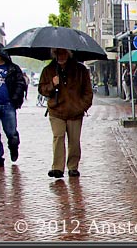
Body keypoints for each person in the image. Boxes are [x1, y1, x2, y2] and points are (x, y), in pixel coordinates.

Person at [38, 48, 93, 178]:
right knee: (58, 137)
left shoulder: (80, 70)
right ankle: (57, 167)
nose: (61, 56)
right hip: (56, 111)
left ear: (68, 54)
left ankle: (73, 167)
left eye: (63, 53)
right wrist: (52, 84)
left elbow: (88, 91)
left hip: (75, 111)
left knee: (74, 141)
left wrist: (82, 106)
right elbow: (42, 89)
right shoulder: (48, 70)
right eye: (57, 53)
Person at [0, 42, 26, 168]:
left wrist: (15, 98)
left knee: (11, 133)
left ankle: (14, 147)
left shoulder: (12, 68)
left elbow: (20, 83)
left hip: (8, 105)